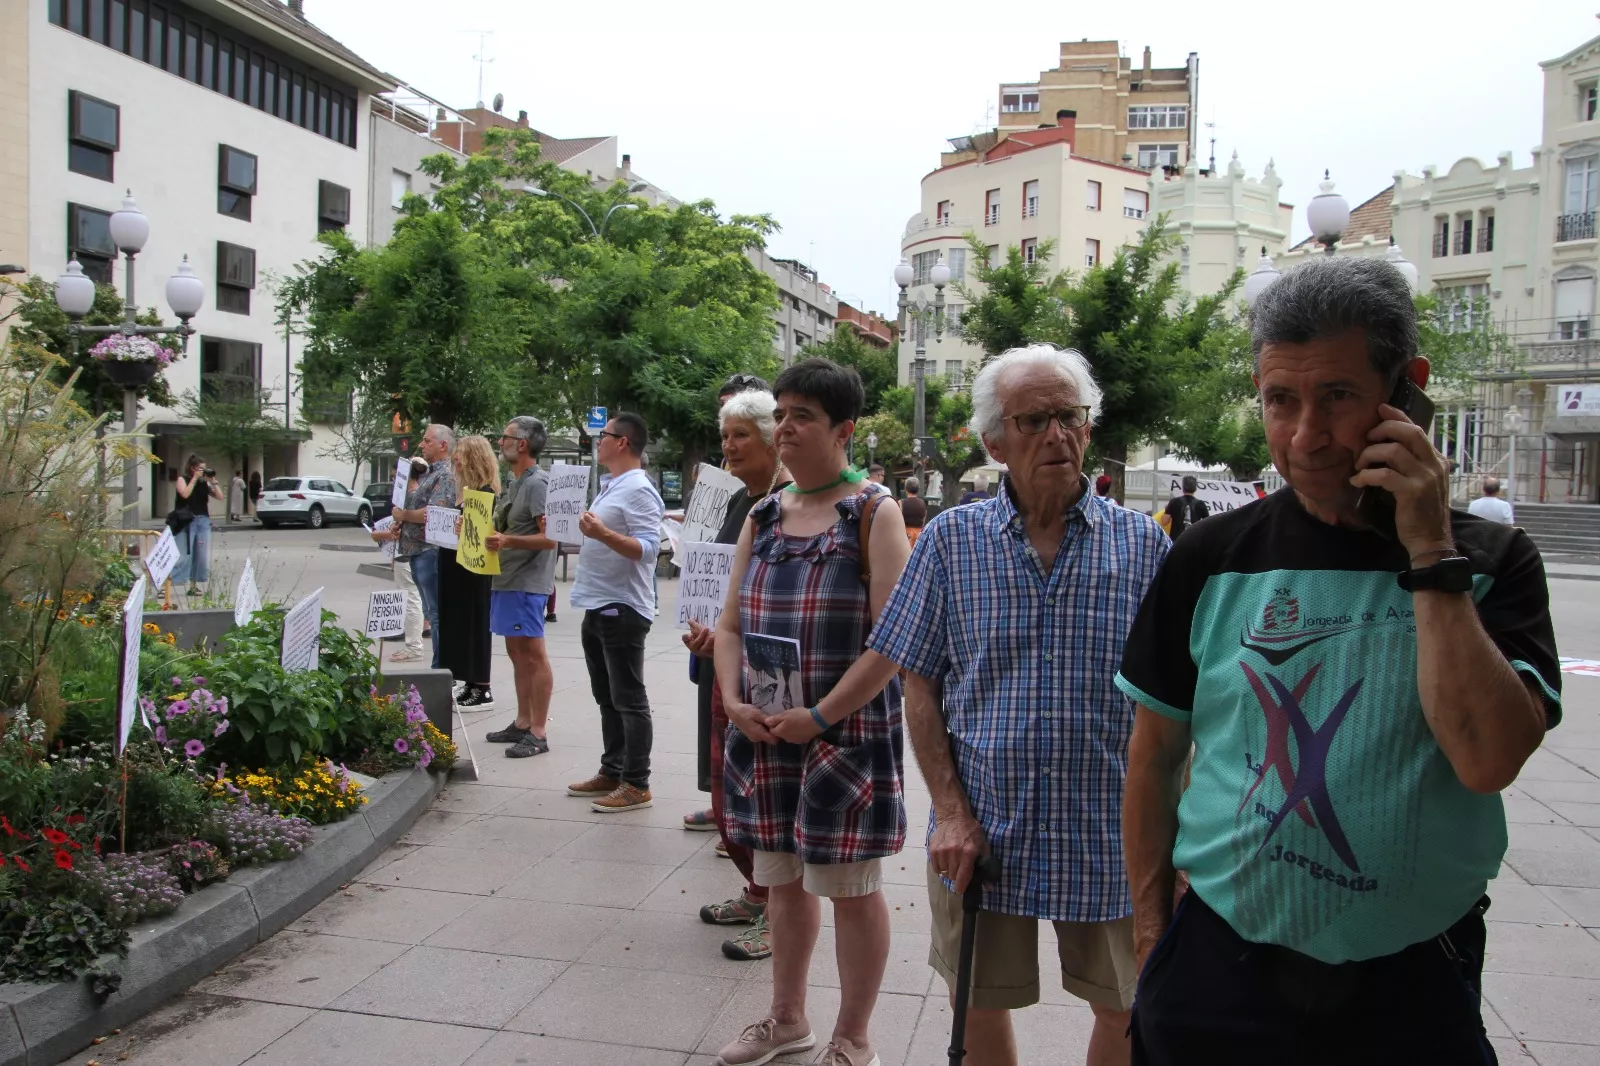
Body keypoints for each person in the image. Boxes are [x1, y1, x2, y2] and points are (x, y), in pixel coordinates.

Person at [1118, 256, 1562, 1065]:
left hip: (1411, 980)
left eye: (1340, 397)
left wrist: (1429, 549)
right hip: (1219, 968)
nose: (1305, 436)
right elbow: (1153, 757)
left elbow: (1489, 756)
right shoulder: (1209, 556)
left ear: (1408, 389)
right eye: (1279, 401)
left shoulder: (1493, 559)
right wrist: (1153, 939)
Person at [868, 345, 1169, 1066]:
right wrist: (948, 811)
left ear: (1089, 430)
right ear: (995, 443)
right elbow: (919, 681)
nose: (1057, 435)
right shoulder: (949, 541)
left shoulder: (1146, 546)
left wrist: (1175, 837)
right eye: (1034, 420)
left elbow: (1177, 702)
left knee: (1130, 1005)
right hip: (983, 826)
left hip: (1111, 827)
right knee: (975, 1000)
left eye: (1070, 416)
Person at [712, 358, 911, 1066]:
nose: (783, 427)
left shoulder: (874, 513)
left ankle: (853, 1037)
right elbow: (731, 623)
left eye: (801, 416)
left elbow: (892, 642)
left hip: (844, 737)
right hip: (768, 733)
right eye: (781, 413)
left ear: (844, 430)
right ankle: (786, 1018)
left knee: (851, 887)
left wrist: (820, 717)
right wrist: (733, 699)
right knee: (781, 879)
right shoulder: (766, 514)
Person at [685, 387, 789, 963]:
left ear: (773, 440)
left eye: (740, 435)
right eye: (725, 435)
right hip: (724, 668)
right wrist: (707, 634)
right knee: (728, 797)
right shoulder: (734, 504)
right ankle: (756, 891)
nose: (728, 445)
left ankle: (780, 912)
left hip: (770, 676)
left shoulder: (785, 503)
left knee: (763, 800)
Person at [567, 412, 666, 813]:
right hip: (597, 601)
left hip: (623, 606)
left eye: (604, 435)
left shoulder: (639, 489)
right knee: (606, 694)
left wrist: (602, 533)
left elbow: (649, 550)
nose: (598, 440)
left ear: (622, 442)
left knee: (628, 697)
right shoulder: (612, 487)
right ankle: (613, 768)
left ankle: (637, 783)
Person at [485, 417, 559, 758]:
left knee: (533, 654)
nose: (500, 442)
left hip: (527, 584)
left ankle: (538, 731)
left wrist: (507, 539)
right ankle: (522, 721)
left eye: (506, 437)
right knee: (517, 653)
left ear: (523, 444)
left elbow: (551, 538)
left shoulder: (538, 484)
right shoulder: (515, 482)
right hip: (507, 580)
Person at [437, 435, 499, 708]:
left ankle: (482, 684)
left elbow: (484, 533)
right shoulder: (463, 490)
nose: (455, 458)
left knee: (475, 622)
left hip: (474, 569)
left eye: (460, 453)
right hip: (454, 564)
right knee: (459, 622)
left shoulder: (485, 493)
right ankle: (469, 680)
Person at [388, 426, 456, 669]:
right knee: (431, 611)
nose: (421, 445)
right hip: (417, 551)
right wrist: (402, 523)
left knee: (436, 614)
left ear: (443, 445)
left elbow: (434, 512)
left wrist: (405, 514)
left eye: (427, 441)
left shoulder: (445, 474)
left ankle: (441, 667)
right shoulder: (428, 473)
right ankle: (440, 665)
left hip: (430, 551)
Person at [371, 463, 427, 663]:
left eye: (396, 477)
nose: (394, 481)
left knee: (412, 598)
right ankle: (413, 644)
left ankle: (414, 646)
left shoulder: (413, 495)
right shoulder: (408, 496)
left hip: (409, 553)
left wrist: (401, 519)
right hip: (407, 552)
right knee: (412, 598)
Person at [172, 455, 222, 597]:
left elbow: (219, 497)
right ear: (192, 468)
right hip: (186, 521)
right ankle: (167, 585)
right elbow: (185, 494)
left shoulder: (203, 483)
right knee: (183, 555)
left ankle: (193, 586)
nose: (203, 471)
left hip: (203, 520)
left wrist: (213, 481)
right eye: (201, 468)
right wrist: (194, 479)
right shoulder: (183, 479)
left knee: (200, 556)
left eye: (205, 469)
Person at [899, 476, 928, 547]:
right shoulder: (923, 504)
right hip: (919, 536)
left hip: (905, 536)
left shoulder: (901, 503)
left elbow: (898, 521)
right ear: (918, 489)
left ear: (906, 489)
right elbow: (923, 520)